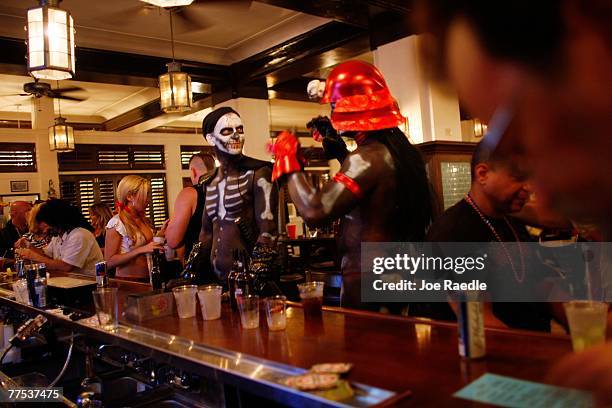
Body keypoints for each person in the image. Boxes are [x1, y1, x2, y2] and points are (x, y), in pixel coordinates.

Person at [416, 1, 611, 400]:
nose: (548, 193)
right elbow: (482, 320)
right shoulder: (457, 230)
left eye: (522, 129)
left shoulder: (512, 218)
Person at [272, 60, 433, 310]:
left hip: (368, 276)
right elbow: (370, 192)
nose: (333, 111)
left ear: (352, 107)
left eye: (335, 104)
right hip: (392, 272)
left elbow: (316, 211)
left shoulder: (367, 157)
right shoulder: (393, 151)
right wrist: (336, 145)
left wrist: (289, 163)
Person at [197, 107, 278, 283]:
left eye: (239, 130)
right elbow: (206, 232)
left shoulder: (259, 173)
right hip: (217, 281)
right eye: (227, 131)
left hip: (249, 279)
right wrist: (193, 271)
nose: (236, 136)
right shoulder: (209, 181)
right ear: (211, 138)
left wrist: (257, 272)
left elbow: (268, 230)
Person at [15, 199, 103, 275]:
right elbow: (46, 255)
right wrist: (29, 246)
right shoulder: (58, 237)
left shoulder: (79, 235)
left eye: (47, 226)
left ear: (56, 221)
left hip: (87, 286)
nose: (45, 231)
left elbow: (65, 266)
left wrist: (32, 255)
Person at [105, 175, 161, 281]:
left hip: (149, 279)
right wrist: (140, 250)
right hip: (128, 282)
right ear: (130, 196)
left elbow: (148, 245)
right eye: (145, 195)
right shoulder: (116, 223)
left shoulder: (143, 219)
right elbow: (109, 262)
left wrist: (162, 234)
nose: (148, 200)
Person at [166, 152, 216, 260]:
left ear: (193, 172)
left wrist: (168, 229)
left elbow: (173, 241)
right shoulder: (228, 192)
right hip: (228, 265)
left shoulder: (189, 194)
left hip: (201, 265)